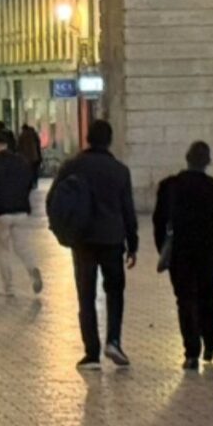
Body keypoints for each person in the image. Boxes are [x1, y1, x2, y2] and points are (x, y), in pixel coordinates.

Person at [52, 118, 139, 369]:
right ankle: (113, 340)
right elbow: (127, 210)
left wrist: (62, 230)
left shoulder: (72, 166)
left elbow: (54, 200)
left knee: (86, 294)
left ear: (87, 138)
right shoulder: (120, 170)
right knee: (115, 291)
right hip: (112, 239)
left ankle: (91, 353)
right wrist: (132, 244)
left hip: (82, 239)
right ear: (110, 140)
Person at [154, 140, 213, 369]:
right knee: (207, 297)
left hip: (180, 251)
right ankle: (209, 342)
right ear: (207, 161)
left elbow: (159, 221)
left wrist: (163, 248)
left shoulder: (169, 186)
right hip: (207, 252)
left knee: (184, 300)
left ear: (187, 159)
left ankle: (191, 352)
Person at [0, 127, 44, 296]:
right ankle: (32, 269)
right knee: (22, 246)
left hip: (0, 212)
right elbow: (29, 183)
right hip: (21, 210)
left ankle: (9, 288)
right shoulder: (21, 161)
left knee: (3, 249)